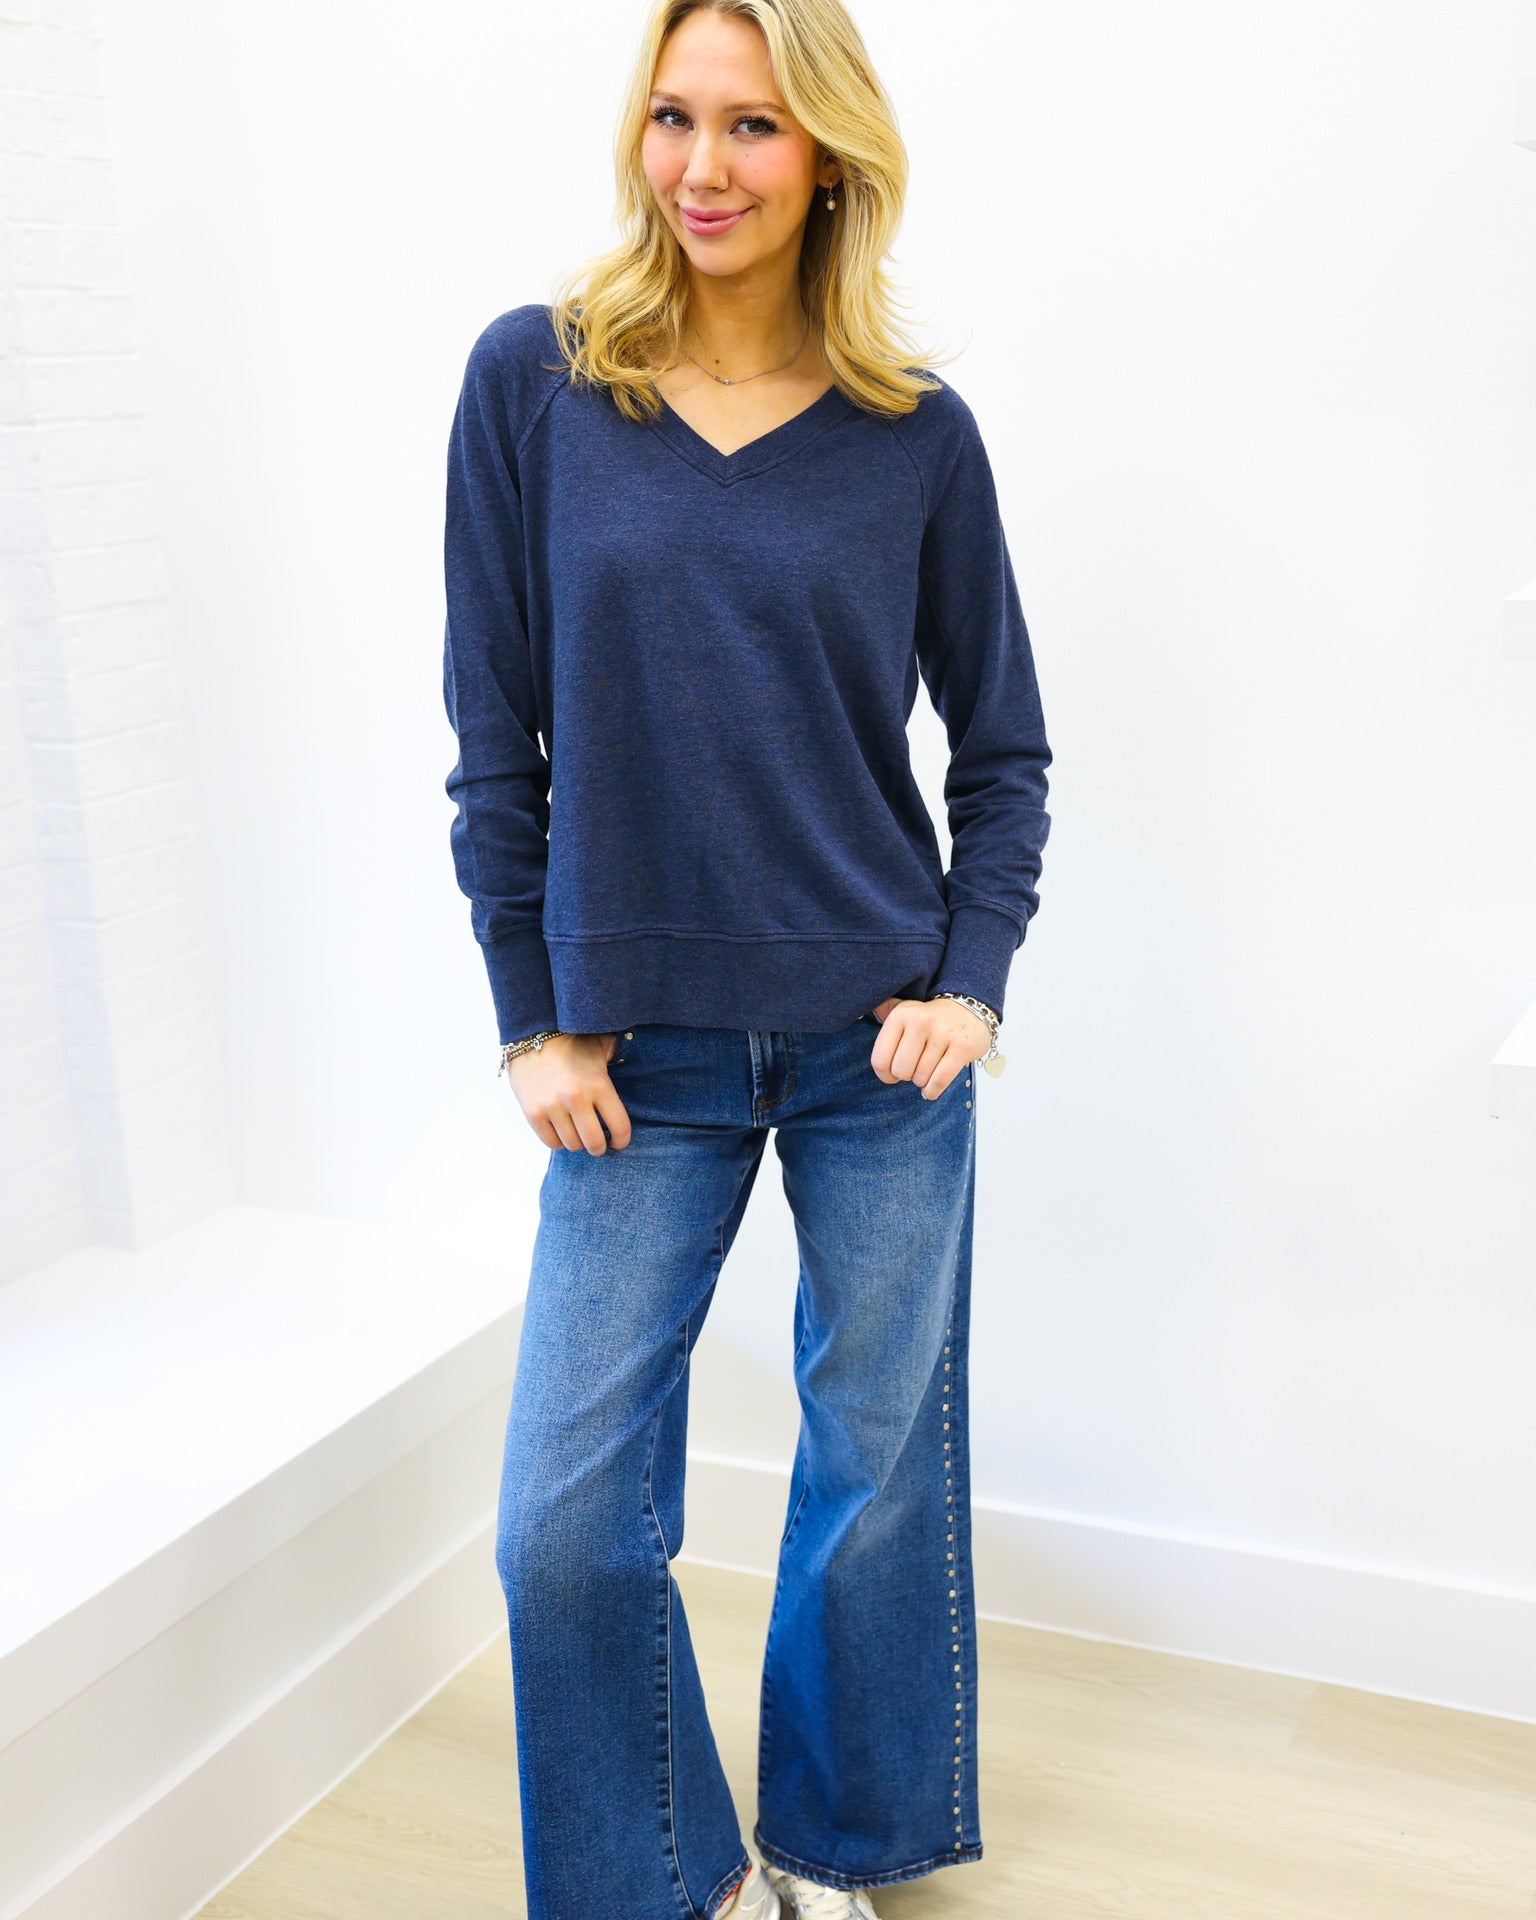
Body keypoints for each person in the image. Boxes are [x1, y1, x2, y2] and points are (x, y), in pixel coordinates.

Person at [440, 1, 1051, 1913]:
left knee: (874, 1484)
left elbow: (1003, 750)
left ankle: (838, 1849)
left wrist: (973, 976)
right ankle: (672, 1883)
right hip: (641, 1065)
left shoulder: (911, 436)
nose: (703, 168)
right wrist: (533, 1015)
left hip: (877, 1054)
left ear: (830, 158)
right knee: (563, 1523)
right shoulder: (534, 385)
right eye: (674, 118)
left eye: (755, 129)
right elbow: (494, 739)